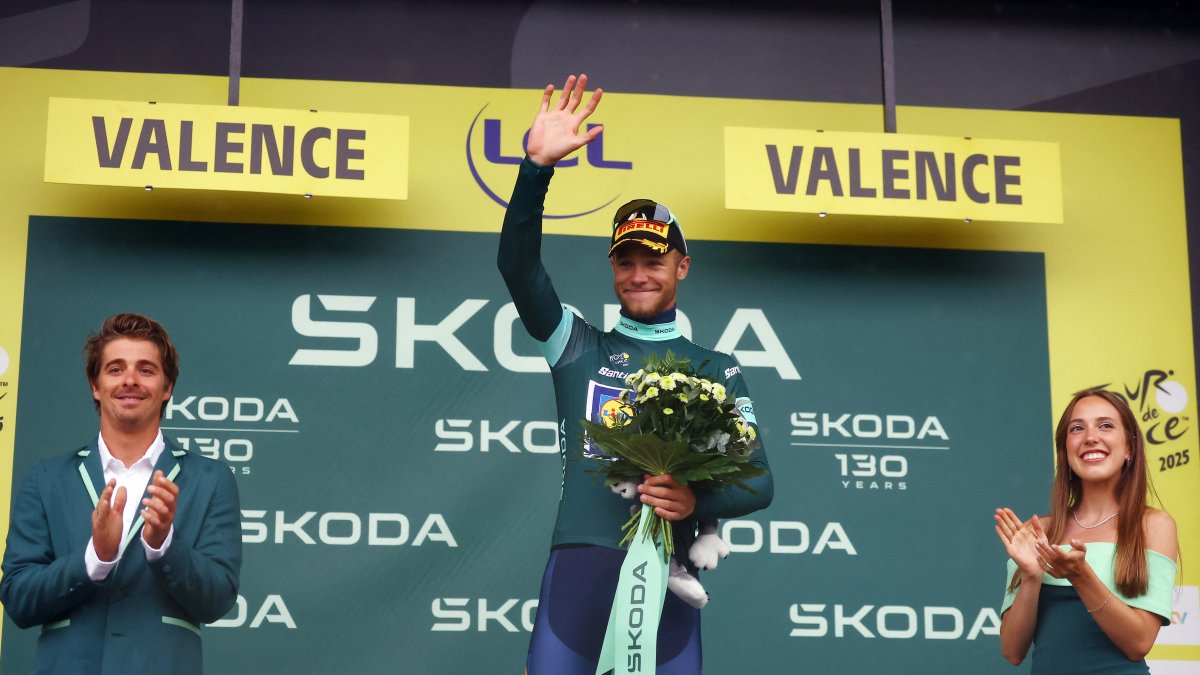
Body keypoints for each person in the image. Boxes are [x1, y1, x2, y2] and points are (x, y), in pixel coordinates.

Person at [498, 74, 773, 674]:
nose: (639, 274)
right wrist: (536, 168)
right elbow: (518, 268)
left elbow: (758, 483)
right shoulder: (576, 345)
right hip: (579, 579)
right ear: (613, 269)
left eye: (654, 260)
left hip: (667, 587)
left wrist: (695, 497)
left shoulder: (716, 369)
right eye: (626, 262)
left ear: (682, 267)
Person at [0, 313, 242, 674]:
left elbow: (218, 599)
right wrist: (95, 558)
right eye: (115, 369)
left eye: (146, 369)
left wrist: (164, 545)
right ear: (95, 386)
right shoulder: (46, 478)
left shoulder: (211, 479)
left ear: (167, 387)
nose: (130, 380)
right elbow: (18, 598)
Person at [994, 387, 1178, 673]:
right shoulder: (1039, 532)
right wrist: (1031, 575)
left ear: (1129, 448)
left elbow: (1139, 643)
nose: (1091, 437)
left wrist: (1082, 576)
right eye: (1077, 428)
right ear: (1065, 450)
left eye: (1105, 426)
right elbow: (1012, 651)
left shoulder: (1152, 525)